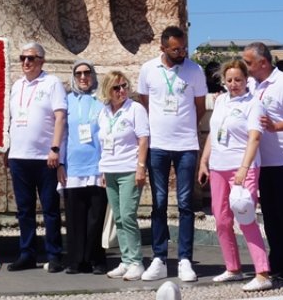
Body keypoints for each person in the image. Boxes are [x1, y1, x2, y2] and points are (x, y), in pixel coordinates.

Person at [135, 26, 206, 282]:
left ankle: (185, 259)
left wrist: (184, 126)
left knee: (186, 204)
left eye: (183, 47)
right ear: (162, 48)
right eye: (175, 49)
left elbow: (200, 107)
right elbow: (145, 101)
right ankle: (159, 258)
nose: (181, 52)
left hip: (186, 145)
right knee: (159, 202)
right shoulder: (148, 70)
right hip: (158, 146)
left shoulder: (195, 70)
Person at [197, 59, 272, 291]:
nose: (233, 84)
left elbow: (255, 137)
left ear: (246, 79)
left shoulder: (254, 104)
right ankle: (233, 267)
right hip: (219, 166)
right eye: (229, 80)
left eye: (237, 79)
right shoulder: (220, 101)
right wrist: (204, 161)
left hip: (242, 167)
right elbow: (213, 133)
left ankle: (262, 272)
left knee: (245, 216)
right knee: (221, 219)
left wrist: (244, 168)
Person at [241, 41, 283, 281]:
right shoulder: (251, 85)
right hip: (263, 161)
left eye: (249, 62)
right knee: (269, 215)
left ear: (263, 62)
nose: (246, 67)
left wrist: (276, 126)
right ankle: (278, 260)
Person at [4, 42, 67, 272]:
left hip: (44, 156)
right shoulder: (16, 85)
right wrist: (7, 149)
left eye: (30, 58)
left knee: (50, 208)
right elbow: (10, 120)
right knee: (24, 209)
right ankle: (27, 253)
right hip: (19, 156)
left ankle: (54, 254)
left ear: (41, 60)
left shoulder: (52, 83)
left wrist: (55, 148)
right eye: (22, 58)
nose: (26, 63)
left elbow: (60, 117)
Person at [97, 70, 149, 281]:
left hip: (129, 169)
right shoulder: (103, 112)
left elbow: (143, 140)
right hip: (110, 168)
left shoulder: (135, 109)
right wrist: (102, 170)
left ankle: (136, 261)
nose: (121, 91)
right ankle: (126, 259)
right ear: (108, 91)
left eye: (124, 86)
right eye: (116, 88)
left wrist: (141, 167)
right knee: (118, 217)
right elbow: (103, 142)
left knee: (128, 215)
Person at [60, 60, 106, 275]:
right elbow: (61, 134)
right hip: (73, 165)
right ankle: (75, 260)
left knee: (96, 216)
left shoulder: (102, 101)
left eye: (87, 73)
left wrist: (106, 165)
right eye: (78, 74)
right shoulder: (67, 101)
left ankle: (95, 259)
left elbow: (107, 135)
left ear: (93, 75)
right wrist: (60, 163)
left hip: (97, 166)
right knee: (74, 216)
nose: (83, 77)